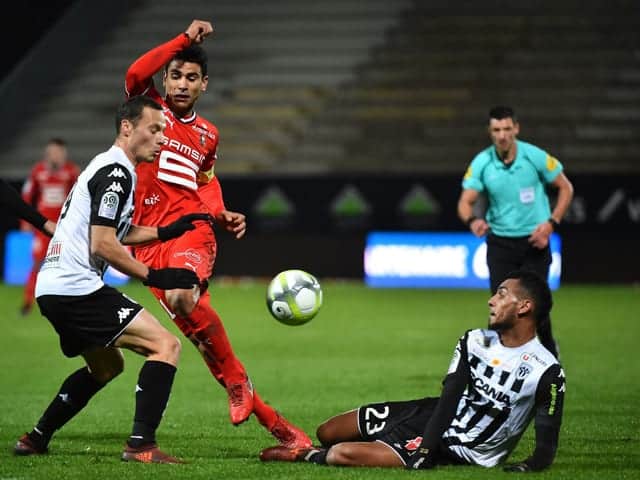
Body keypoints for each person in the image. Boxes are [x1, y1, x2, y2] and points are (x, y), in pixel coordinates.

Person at [124, 19, 311, 448]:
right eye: (176, 75)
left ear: (204, 84)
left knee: (183, 298)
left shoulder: (208, 133)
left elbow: (206, 179)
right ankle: (282, 430)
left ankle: (237, 381)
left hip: (192, 233)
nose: (183, 84)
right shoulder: (150, 111)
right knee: (202, 340)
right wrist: (183, 41)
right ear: (166, 79)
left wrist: (217, 212)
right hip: (149, 244)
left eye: (192, 77)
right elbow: (135, 74)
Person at [13, 95, 209, 464]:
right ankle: (141, 446)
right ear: (126, 127)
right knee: (166, 345)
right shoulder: (117, 173)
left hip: (53, 288)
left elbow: (116, 230)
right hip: (77, 287)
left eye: (164, 131)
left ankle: (36, 437)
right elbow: (102, 243)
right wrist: (158, 275)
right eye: (154, 129)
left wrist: (166, 232)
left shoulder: (107, 167)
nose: (162, 138)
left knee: (107, 367)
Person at [260, 270, 566, 472]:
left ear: (524, 306)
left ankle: (304, 455)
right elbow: (449, 398)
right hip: (434, 415)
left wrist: (530, 466)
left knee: (341, 454)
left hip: (463, 444)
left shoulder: (546, 370)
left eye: (501, 294)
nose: (491, 300)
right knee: (328, 431)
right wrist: (425, 445)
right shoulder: (474, 340)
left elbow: (546, 442)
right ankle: (340, 446)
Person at [456, 106, 574, 358]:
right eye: (497, 130)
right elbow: (464, 202)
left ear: (516, 129)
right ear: (490, 132)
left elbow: (566, 188)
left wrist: (551, 223)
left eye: (507, 129)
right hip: (500, 244)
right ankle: (488, 364)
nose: (502, 135)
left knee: (535, 308)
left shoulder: (534, 156)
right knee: (499, 307)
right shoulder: (482, 162)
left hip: (535, 244)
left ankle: (550, 355)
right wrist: (472, 221)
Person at [20, 138, 80, 315]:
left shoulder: (71, 172)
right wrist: (25, 221)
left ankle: (68, 302)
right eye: (53, 151)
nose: (56, 155)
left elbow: (79, 197)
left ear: (64, 153)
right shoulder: (38, 171)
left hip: (64, 228)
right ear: (47, 153)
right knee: (37, 263)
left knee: (69, 263)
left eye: (59, 152)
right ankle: (27, 302)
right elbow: (27, 196)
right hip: (42, 227)